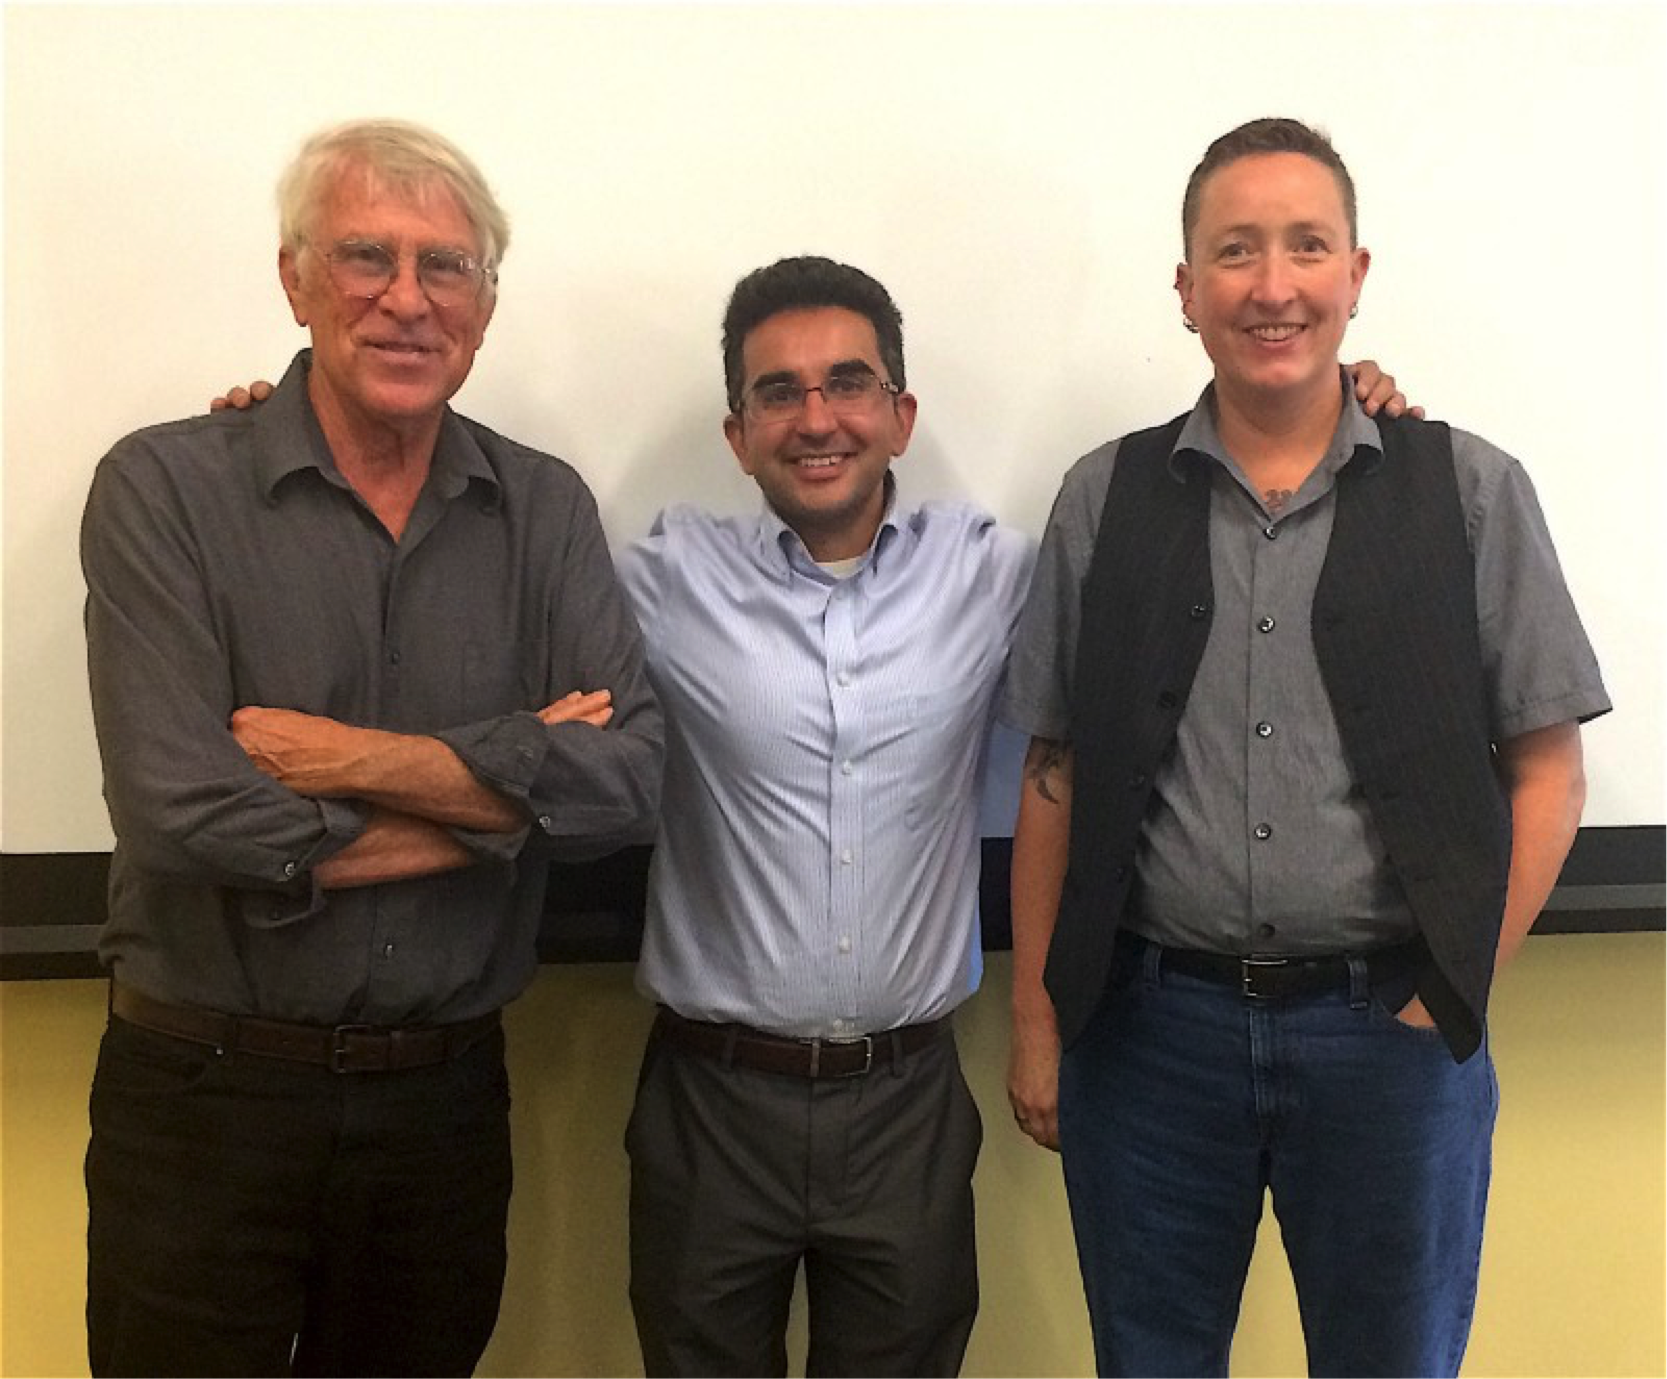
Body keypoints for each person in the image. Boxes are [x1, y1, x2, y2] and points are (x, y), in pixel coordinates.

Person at [211, 252, 1410, 1376]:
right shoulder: (653, 580)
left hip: (906, 1101)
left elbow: (1176, 584)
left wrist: (1331, 412)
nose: (816, 416)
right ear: (737, 436)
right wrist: (316, 430)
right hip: (707, 1099)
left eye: (848, 383)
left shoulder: (998, 573)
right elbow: (463, 582)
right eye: (776, 393)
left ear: (901, 410)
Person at [1001, 117, 1609, 1378]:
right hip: (1146, 1036)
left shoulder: (1469, 490)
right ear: (1183, 288)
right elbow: (1053, 773)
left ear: (1354, 274)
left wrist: (1451, 980)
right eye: (1232, 250)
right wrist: (1035, 1018)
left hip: (1388, 1040)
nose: (1270, 284)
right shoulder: (1099, 500)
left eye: (1303, 247)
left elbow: (1546, 773)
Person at [79, 118, 662, 1379]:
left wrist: (349, 758)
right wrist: (504, 806)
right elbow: (181, 813)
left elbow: (630, 780)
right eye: (365, 257)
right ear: (293, 277)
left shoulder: (543, 506)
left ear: (486, 305)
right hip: (202, 1098)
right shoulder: (164, 490)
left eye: (445, 266)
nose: (407, 299)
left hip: (440, 1110)